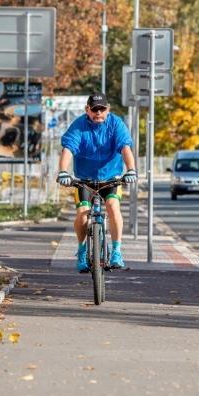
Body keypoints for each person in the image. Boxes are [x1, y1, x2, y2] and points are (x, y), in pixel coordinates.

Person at [56, 94, 137, 272]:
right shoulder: (79, 125)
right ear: (88, 110)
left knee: (113, 206)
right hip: (84, 181)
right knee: (83, 214)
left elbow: (125, 148)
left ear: (108, 110)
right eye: (94, 109)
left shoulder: (116, 124)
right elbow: (68, 148)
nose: (98, 113)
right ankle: (82, 250)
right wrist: (63, 171)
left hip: (111, 179)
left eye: (102, 109)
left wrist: (131, 170)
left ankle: (116, 251)